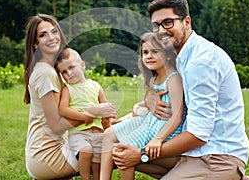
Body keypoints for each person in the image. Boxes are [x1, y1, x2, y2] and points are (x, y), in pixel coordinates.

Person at [111, 0, 249, 180]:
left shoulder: (201, 62)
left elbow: (198, 134)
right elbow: (163, 90)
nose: (161, 31)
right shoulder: (178, 56)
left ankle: (231, 176)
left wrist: (142, 153)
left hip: (216, 156)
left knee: (133, 154)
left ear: (186, 21)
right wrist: (147, 101)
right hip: (190, 153)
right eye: (156, 25)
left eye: (168, 23)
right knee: (118, 151)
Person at [23, 14, 116, 180]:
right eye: (43, 35)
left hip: (48, 148)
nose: (51, 37)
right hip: (47, 155)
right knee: (116, 152)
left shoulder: (54, 69)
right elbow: (57, 126)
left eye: (54, 31)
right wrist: (92, 113)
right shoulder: (46, 73)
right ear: (35, 43)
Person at [100, 32, 186, 180]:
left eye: (155, 51)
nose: (149, 56)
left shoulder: (174, 78)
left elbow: (177, 117)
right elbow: (146, 105)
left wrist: (158, 139)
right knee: (108, 134)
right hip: (151, 123)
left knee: (123, 151)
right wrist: (128, 116)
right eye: (145, 52)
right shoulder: (155, 77)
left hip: (165, 131)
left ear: (169, 56)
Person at [56, 48, 114, 180]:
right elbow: (63, 109)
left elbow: (105, 106)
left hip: (98, 132)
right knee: (86, 151)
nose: (69, 73)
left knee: (98, 162)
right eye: (64, 72)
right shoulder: (67, 89)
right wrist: (84, 116)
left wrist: (110, 120)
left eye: (71, 67)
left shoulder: (95, 86)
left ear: (82, 65)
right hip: (79, 133)